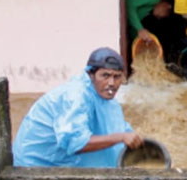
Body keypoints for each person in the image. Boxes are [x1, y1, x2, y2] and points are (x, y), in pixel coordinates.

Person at [13, 47, 143, 168]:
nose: (111, 83)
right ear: (90, 74)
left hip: (63, 163)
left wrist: (132, 138)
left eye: (117, 77)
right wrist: (119, 137)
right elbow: (75, 142)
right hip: (37, 167)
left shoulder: (105, 99)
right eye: (105, 75)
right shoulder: (75, 96)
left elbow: (117, 128)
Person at [126, 0, 187, 78]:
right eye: (165, 15)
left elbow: (132, 26)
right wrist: (140, 29)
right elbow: (128, 5)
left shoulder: (146, 11)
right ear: (168, 6)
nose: (160, 18)